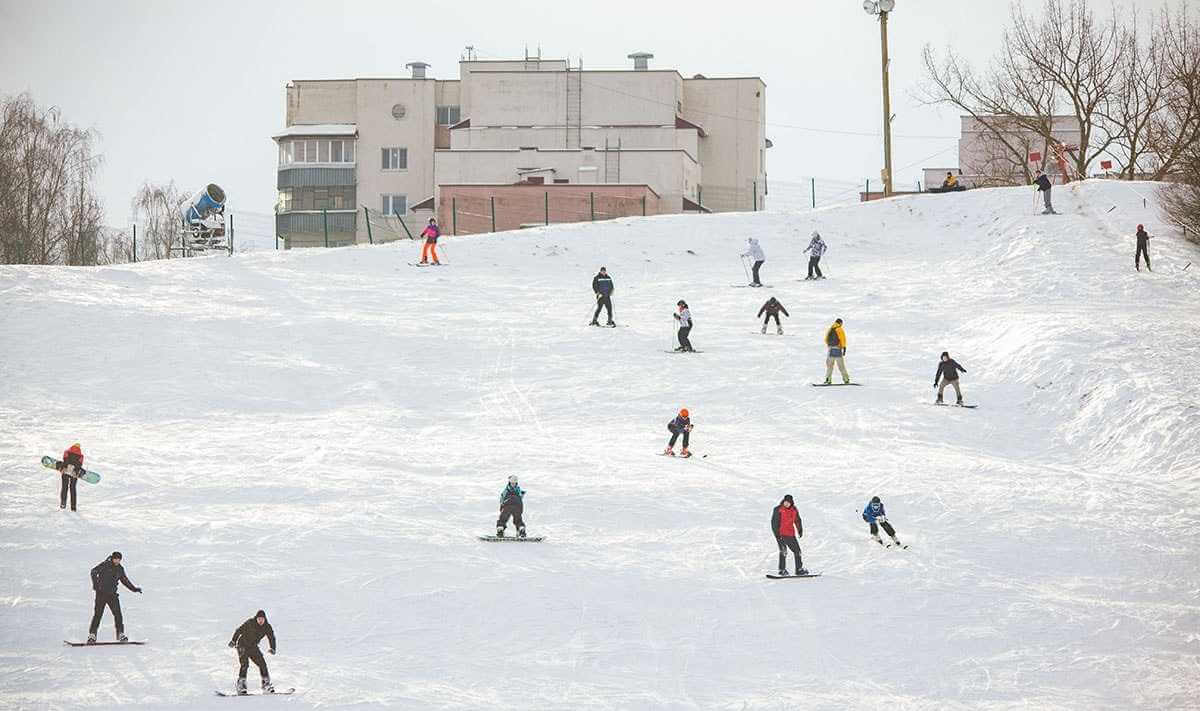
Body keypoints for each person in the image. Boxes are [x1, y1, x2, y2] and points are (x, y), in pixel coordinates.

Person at [87, 551, 141, 643]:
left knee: (118, 615)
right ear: (112, 558)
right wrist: (96, 585)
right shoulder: (105, 565)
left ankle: (120, 634)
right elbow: (93, 571)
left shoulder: (120, 569)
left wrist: (134, 589)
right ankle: (92, 635)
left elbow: (125, 580)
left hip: (112, 595)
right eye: (115, 559)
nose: (117, 561)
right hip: (101, 594)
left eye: (119, 559)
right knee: (98, 614)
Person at [229, 610, 277, 695]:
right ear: (256, 618)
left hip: (253, 647)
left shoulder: (267, 627)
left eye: (262, 619)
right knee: (245, 664)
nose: (260, 621)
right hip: (242, 645)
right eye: (259, 619)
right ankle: (241, 685)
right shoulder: (250, 622)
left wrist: (272, 648)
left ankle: (266, 685)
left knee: (262, 663)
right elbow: (239, 630)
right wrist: (233, 640)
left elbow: (271, 637)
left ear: (265, 619)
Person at [770, 495, 806, 576]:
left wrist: (799, 530)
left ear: (791, 503)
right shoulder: (778, 509)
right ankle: (782, 570)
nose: (786, 504)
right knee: (783, 551)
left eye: (788, 502)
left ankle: (799, 569)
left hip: (790, 534)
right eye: (785, 502)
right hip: (781, 534)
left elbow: (797, 520)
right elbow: (774, 523)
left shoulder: (794, 510)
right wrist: (777, 534)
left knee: (797, 551)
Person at [57, 442, 84, 511]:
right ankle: (73, 507)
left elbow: (65, 460)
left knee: (64, 487)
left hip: (66, 471)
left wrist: (64, 467)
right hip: (74, 474)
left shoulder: (67, 452)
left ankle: (63, 504)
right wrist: (76, 471)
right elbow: (79, 465)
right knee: (73, 489)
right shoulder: (81, 456)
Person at [823, 318, 850, 385]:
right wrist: (844, 347)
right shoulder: (839, 329)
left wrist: (830, 346)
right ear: (840, 323)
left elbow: (826, 339)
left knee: (830, 365)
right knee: (841, 366)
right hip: (837, 349)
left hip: (830, 349)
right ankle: (846, 379)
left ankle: (828, 379)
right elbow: (843, 339)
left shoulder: (830, 329)